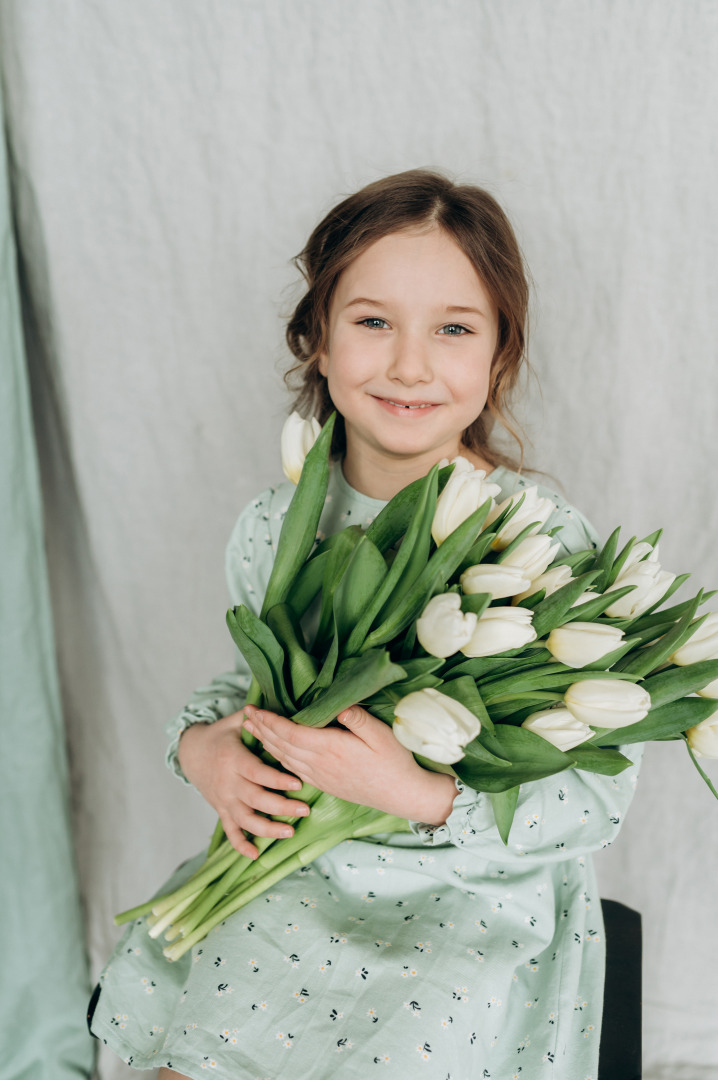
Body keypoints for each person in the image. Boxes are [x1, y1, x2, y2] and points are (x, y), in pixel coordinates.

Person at [89, 169, 642, 1079]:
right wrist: (201, 749)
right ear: (317, 342)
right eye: (373, 321)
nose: (410, 365)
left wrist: (420, 796)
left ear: (499, 359)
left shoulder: (536, 543)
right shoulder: (279, 525)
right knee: (197, 1050)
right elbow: (262, 687)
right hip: (302, 873)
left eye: (454, 329)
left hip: (470, 899)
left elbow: (592, 798)